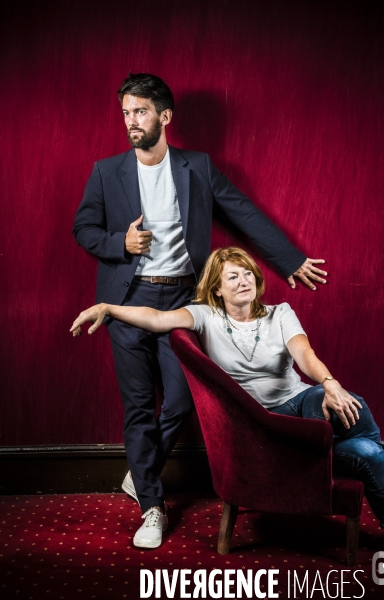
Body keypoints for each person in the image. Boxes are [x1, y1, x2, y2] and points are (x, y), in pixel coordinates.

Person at [73, 73, 328, 549]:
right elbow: (82, 229)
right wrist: (119, 243)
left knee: (183, 398)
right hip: (128, 299)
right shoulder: (107, 172)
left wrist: (290, 260)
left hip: (184, 301)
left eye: (141, 111)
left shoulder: (197, 167)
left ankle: (141, 470)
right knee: (137, 407)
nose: (131, 120)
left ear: (164, 117)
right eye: (126, 111)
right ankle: (152, 505)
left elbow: (241, 210)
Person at [71, 246, 384, 548]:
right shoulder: (205, 316)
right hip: (263, 422)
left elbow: (304, 353)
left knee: (348, 401)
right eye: (233, 276)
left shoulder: (280, 313)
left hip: (302, 400)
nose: (244, 281)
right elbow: (157, 319)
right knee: (367, 452)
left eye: (248, 273)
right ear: (217, 288)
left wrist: (330, 383)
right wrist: (107, 307)